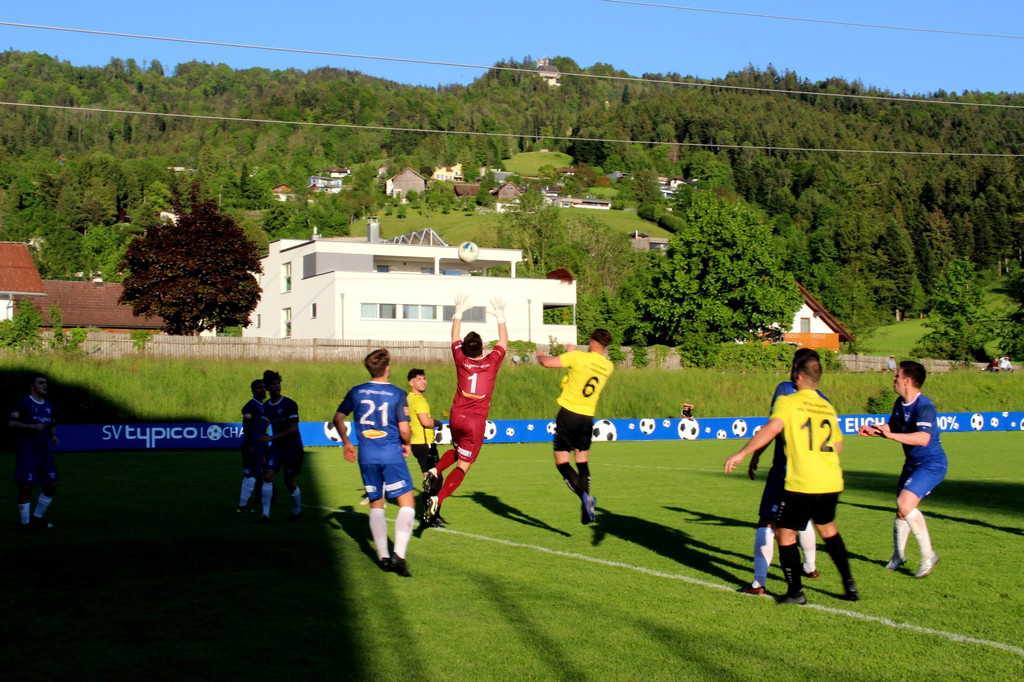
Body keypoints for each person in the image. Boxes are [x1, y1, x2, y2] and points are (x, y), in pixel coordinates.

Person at [725, 353, 857, 604]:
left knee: (784, 533)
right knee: (828, 530)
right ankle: (849, 584)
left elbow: (773, 428)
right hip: (830, 478)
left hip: (801, 479)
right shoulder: (827, 405)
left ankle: (791, 590)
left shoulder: (788, 399)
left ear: (797, 374)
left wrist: (744, 452)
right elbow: (837, 446)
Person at [737, 348, 823, 596]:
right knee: (800, 520)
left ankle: (758, 583)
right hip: (812, 472)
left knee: (767, 521)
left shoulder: (785, 390)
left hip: (785, 470)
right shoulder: (822, 398)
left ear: (797, 369)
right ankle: (810, 566)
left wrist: (753, 454)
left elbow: (774, 426)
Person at [422, 293, 508, 526]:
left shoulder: (460, 359)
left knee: (456, 450)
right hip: (474, 421)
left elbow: (454, 336)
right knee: (463, 464)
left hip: (456, 416)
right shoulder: (491, 362)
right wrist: (500, 317)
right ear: (482, 348)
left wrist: (458, 312)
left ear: (466, 349)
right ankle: (437, 500)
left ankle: (434, 471)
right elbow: (503, 342)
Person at [858, 361, 947, 578]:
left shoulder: (924, 406)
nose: (893, 378)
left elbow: (923, 438)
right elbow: (894, 427)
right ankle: (898, 556)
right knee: (901, 511)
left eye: (897, 375)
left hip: (931, 465)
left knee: (904, 504)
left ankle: (928, 555)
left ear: (907, 381)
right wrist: (877, 430)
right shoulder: (900, 403)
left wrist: (890, 435)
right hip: (912, 465)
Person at [334, 349, 416, 576]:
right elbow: (404, 428)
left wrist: (347, 443)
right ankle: (399, 555)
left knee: (376, 504)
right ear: (387, 368)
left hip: (367, 456)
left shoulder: (357, 391)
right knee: (407, 504)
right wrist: (406, 443)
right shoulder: (398, 394)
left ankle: (383, 557)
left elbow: (338, 418)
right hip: (391, 454)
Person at [535, 329, 614, 525]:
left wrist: (540, 355)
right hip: (587, 418)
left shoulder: (578, 358)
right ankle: (587, 503)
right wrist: (572, 353)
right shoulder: (608, 366)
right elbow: (588, 365)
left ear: (593, 342)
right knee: (582, 461)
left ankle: (585, 499)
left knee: (562, 462)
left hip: (569, 414)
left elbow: (547, 363)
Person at [10, 374, 59, 530]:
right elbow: (11, 423)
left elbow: (51, 425)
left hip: (43, 451)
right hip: (27, 450)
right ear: (32, 386)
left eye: (46, 382)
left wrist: (53, 437)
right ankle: (25, 523)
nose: (45, 385)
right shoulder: (24, 403)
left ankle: (37, 518)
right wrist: (30, 427)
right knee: (26, 486)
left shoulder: (49, 406)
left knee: (51, 485)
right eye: (41, 382)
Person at [256, 370, 304, 522]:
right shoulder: (266, 406)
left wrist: (271, 437)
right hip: (277, 448)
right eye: (273, 384)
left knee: (289, 482)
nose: (277, 386)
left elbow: (293, 429)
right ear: (268, 388)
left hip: (292, 447)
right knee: (268, 475)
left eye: (278, 383)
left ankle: (297, 512)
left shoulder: (290, 404)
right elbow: (265, 423)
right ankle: (265, 514)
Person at [407, 368, 446, 526]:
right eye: (419, 379)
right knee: (433, 479)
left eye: (424, 378)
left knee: (433, 478)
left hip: (418, 443)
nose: (423, 382)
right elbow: (425, 421)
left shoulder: (409, 398)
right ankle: (430, 516)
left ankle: (433, 514)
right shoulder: (418, 400)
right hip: (424, 444)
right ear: (411, 383)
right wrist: (438, 423)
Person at [237, 379, 268, 512]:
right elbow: (246, 425)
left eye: (263, 387)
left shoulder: (262, 407)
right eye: (258, 387)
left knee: (252, 473)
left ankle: (245, 504)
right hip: (252, 444)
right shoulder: (251, 405)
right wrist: (250, 445)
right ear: (253, 390)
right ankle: (243, 505)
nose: (262, 389)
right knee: (253, 474)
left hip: (259, 444)